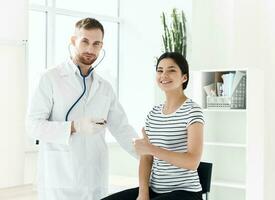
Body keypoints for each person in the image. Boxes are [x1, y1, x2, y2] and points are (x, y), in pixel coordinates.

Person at [26, 18, 138, 200]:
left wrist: (149, 155)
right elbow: (33, 126)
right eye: (85, 41)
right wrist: (74, 127)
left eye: (96, 44)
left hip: (95, 178)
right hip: (60, 177)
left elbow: (122, 128)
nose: (90, 49)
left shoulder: (105, 87)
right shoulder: (51, 78)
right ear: (73, 41)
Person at [102, 52, 204, 200]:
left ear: (184, 77)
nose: (164, 75)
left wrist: (151, 149)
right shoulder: (154, 113)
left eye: (171, 70)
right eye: (160, 70)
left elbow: (192, 162)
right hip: (154, 190)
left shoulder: (192, 111)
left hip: (185, 193)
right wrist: (143, 193)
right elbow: (146, 158)